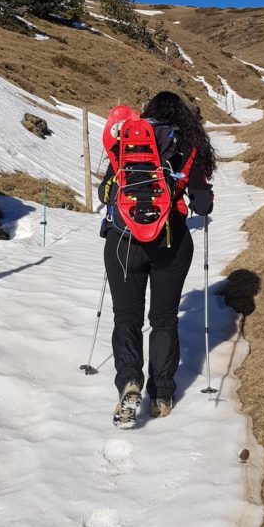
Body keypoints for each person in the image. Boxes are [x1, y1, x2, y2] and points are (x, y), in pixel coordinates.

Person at [98, 91, 215, 428]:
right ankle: (162, 395)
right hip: (171, 242)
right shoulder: (186, 146)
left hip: (122, 243)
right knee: (163, 318)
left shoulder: (127, 143)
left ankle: (129, 380)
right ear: (183, 117)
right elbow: (202, 206)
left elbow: (108, 192)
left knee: (127, 317)